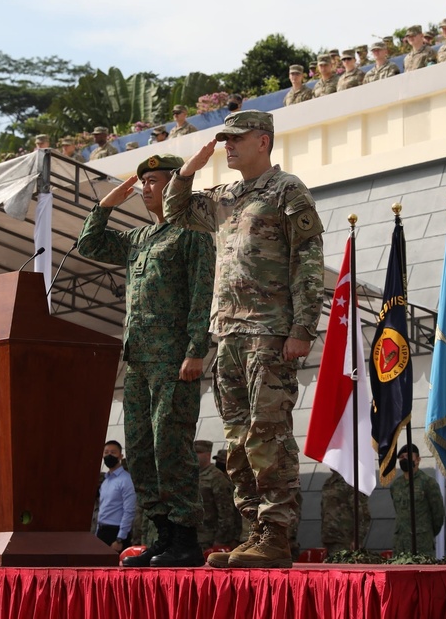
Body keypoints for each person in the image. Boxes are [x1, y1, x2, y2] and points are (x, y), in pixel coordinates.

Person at [164, 110, 325, 570]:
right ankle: (254, 531)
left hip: (270, 332)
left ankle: (276, 536)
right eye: (225, 140)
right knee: (236, 442)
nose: (228, 147)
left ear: (263, 140)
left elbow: (308, 261)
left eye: (236, 139)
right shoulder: (225, 197)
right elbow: (175, 213)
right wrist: (188, 170)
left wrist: (301, 329)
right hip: (228, 333)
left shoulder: (287, 190)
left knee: (268, 435)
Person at [78, 153, 215, 568]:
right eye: (143, 182)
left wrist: (196, 349)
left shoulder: (192, 233)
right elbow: (90, 244)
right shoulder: (138, 238)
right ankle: (162, 534)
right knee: (140, 449)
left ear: (176, 184)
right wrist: (105, 206)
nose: (146, 189)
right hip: (137, 360)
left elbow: (201, 294)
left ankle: (186, 540)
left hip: (173, 360)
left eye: (154, 180)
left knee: (171, 445)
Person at [390, 444, 443, 556]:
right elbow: (398, 511)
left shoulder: (428, 483)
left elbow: (438, 514)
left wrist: (426, 532)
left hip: (421, 545)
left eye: (408, 456)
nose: (404, 459)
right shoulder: (396, 485)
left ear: (418, 459)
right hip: (401, 545)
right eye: (402, 457)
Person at [195, 440, 241, 551]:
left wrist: (220, 540)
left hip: (210, 539)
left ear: (208, 454)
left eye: (198, 452)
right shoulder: (191, 475)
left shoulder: (217, 478)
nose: (195, 456)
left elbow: (226, 512)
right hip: (194, 537)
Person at [94, 441, 136, 553]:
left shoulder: (126, 480)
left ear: (120, 456)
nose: (109, 455)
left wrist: (120, 539)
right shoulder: (106, 481)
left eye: (113, 452)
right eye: (106, 452)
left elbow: (129, 511)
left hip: (116, 533)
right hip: (101, 532)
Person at [320, 470, 371, 555]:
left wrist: (357, 539)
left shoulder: (351, 482)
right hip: (329, 539)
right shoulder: (328, 483)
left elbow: (362, 514)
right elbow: (324, 510)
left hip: (345, 539)